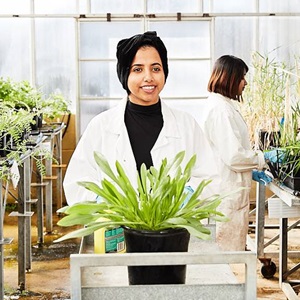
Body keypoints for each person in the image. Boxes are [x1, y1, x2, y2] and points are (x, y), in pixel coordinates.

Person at [63, 31, 220, 206]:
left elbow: (210, 177)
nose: (148, 77)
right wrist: (100, 200)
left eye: (156, 68)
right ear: (125, 75)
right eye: (138, 69)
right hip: (116, 229)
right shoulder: (101, 126)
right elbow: (76, 183)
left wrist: (190, 193)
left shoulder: (186, 125)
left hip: (173, 231)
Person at [198, 55, 272, 251]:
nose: (245, 82)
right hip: (225, 193)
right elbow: (234, 157)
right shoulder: (221, 110)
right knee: (224, 255)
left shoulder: (223, 106)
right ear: (229, 78)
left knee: (228, 254)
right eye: (242, 77)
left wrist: (250, 169)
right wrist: (263, 158)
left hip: (229, 189)